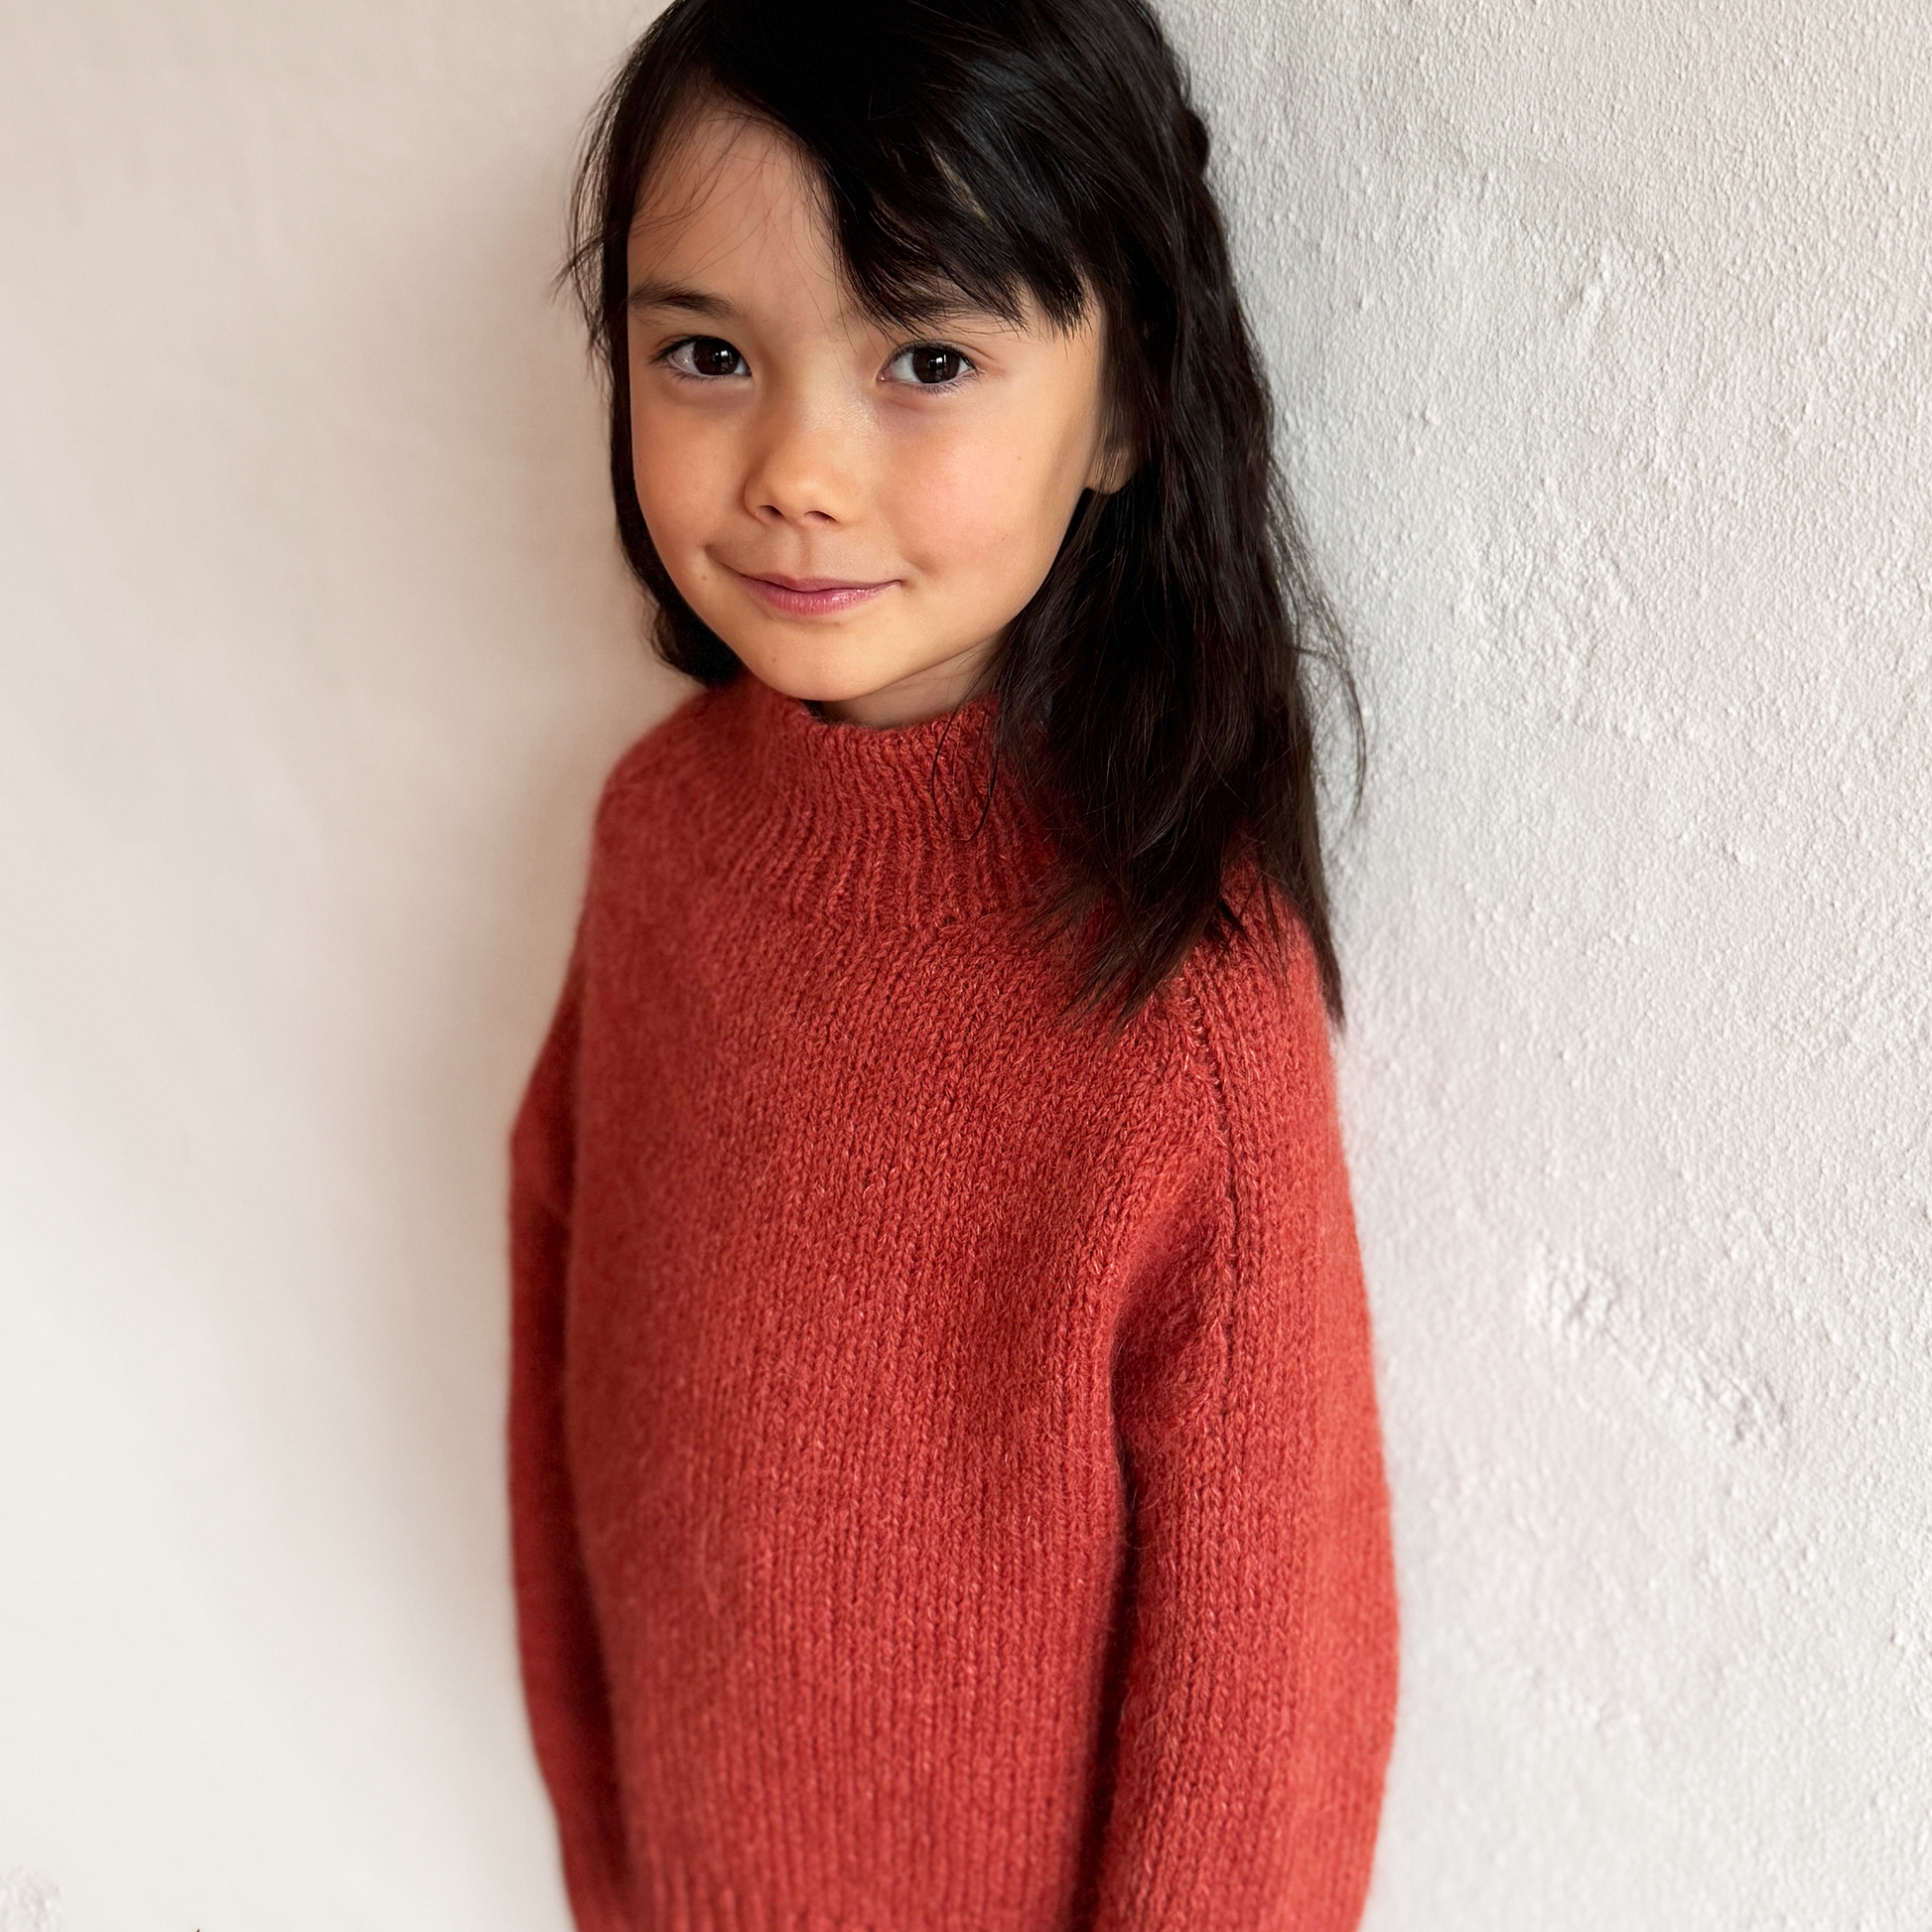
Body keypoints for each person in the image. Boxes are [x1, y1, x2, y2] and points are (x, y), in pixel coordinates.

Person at [505, 0, 1399, 1926]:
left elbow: (1259, 1740)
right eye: (705, 353)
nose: (796, 468)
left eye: (925, 356)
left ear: (1126, 406)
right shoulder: (658, 839)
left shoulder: (1179, 1012)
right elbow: (571, 1404)